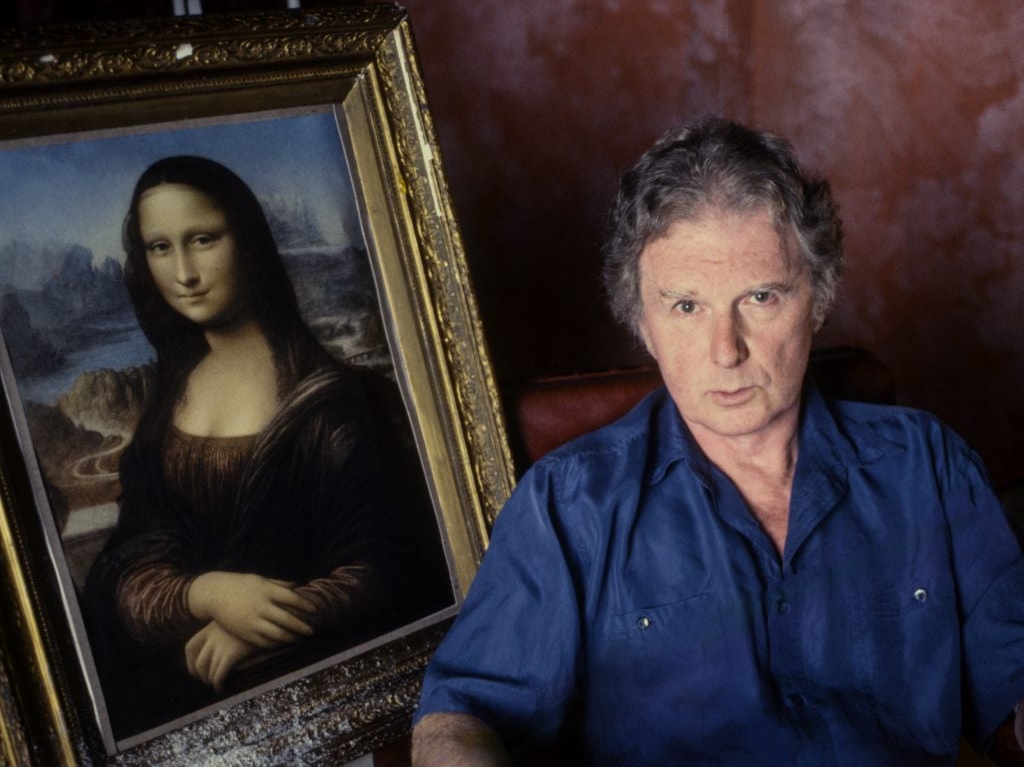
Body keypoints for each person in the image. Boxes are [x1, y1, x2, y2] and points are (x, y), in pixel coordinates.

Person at [411, 118, 1024, 766]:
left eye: (759, 297)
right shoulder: (570, 506)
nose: (725, 351)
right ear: (642, 321)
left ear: (816, 298)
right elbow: (457, 720)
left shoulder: (927, 466)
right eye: (685, 307)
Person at [85, 155, 451, 739]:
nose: (184, 272)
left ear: (248, 242)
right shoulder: (165, 409)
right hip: (189, 706)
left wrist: (266, 621)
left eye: (203, 239)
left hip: (327, 695)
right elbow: (127, 564)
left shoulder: (335, 402)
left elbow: (387, 566)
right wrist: (205, 593)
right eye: (160, 248)